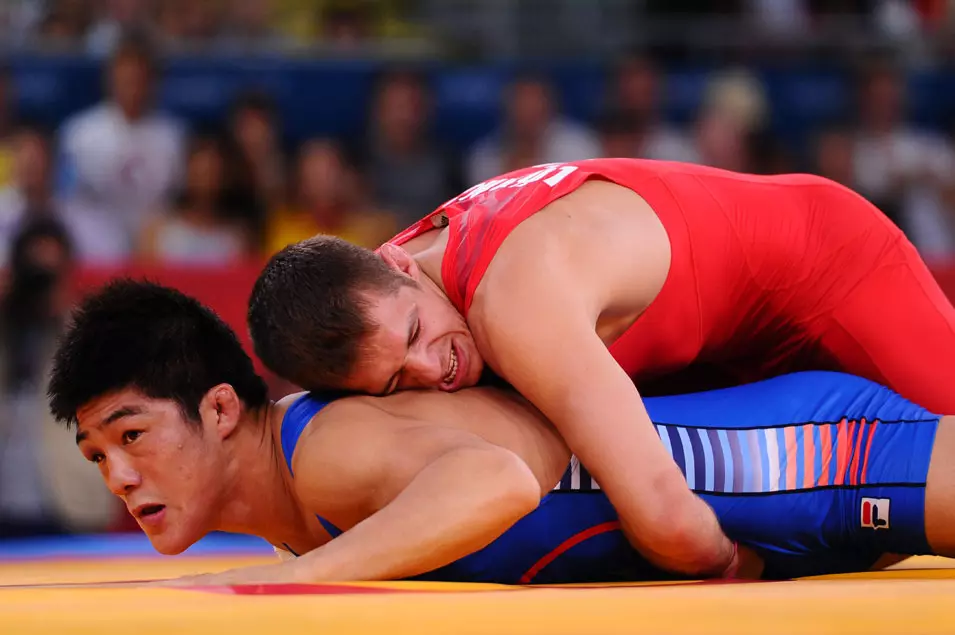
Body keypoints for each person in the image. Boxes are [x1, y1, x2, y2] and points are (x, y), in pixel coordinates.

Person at [247, 158, 955, 578]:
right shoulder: (383, 284)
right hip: (715, 345)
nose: (435, 370)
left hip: (828, 269)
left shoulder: (513, 302)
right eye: (397, 382)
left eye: (414, 333)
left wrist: (751, 572)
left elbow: (668, 519)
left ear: (397, 260)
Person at [48, 281, 955, 586]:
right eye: (98, 455)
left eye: (130, 434)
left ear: (216, 409)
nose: (119, 476)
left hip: (797, 460)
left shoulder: (319, 452)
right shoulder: (302, 491)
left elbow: (498, 482)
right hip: (771, 487)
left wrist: (296, 581)